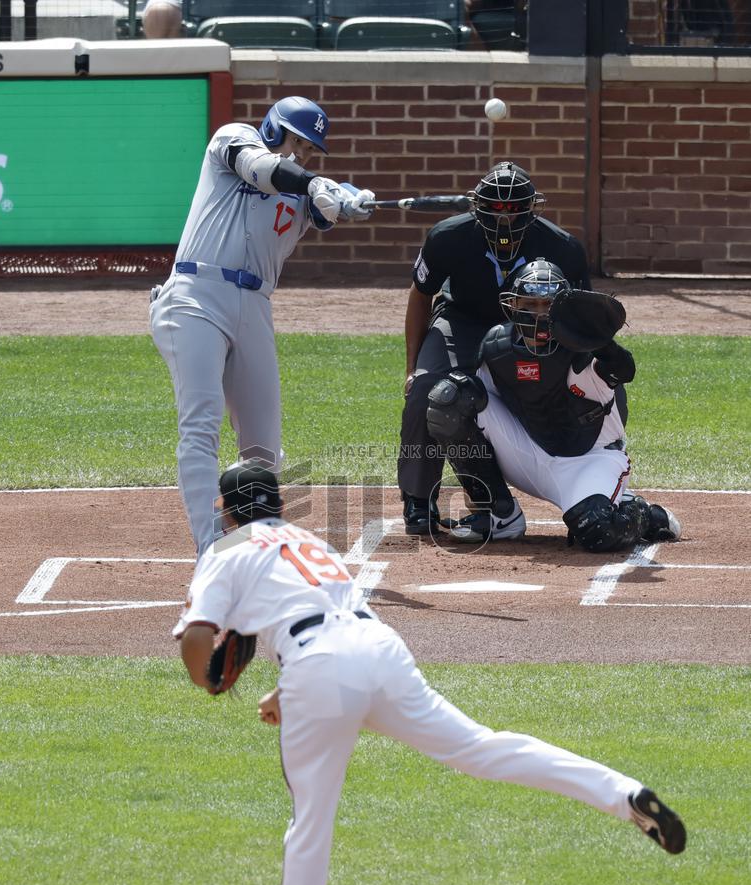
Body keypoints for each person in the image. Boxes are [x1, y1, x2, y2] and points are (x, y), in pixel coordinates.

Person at [174, 461, 687, 885]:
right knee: (483, 748)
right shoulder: (308, 543)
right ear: (279, 505)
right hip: (378, 650)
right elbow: (326, 619)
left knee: (312, 815)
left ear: (225, 508)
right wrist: (286, 691)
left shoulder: (226, 550)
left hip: (318, 669)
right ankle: (623, 795)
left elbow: (200, 638)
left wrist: (209, 681)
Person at [150, 96, 374, 556]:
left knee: (264, 449)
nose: (303, 154)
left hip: (254, 306)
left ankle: (259, 544)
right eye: (298, 141)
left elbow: (324, 202)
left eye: (311, 149)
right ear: (275, 131)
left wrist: (348, 200)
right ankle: (210, 548)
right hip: (195, 295)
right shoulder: (233, 140)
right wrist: (315, 184)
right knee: (201, 423)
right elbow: (268, 171)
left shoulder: (306, 190)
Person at [399, 160, 598, 538]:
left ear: (531, 208)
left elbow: (581, 313)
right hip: (464, 320)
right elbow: (420, 295)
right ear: (477, 206)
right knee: (428, 389)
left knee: (583, 390)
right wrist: (411, 368)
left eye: (513, 210)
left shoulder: (564, 247)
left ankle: (594, 489)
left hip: (534, 328)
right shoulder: (447, 236)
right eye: (495, 209)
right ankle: (418, 498)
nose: (504, 220)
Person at [426, 258, 682, 549]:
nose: (538, 314)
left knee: (597, 531)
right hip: (528, 453)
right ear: (513, 306)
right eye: (529, 305)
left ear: (562, 309)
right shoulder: (496, 347)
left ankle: (645, 515)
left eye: (547, 305)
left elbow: (624, 369)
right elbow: (475, 410)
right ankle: (498, 514)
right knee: (449, 397)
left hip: (590, 460)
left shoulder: (585, 350)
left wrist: (602, 342)